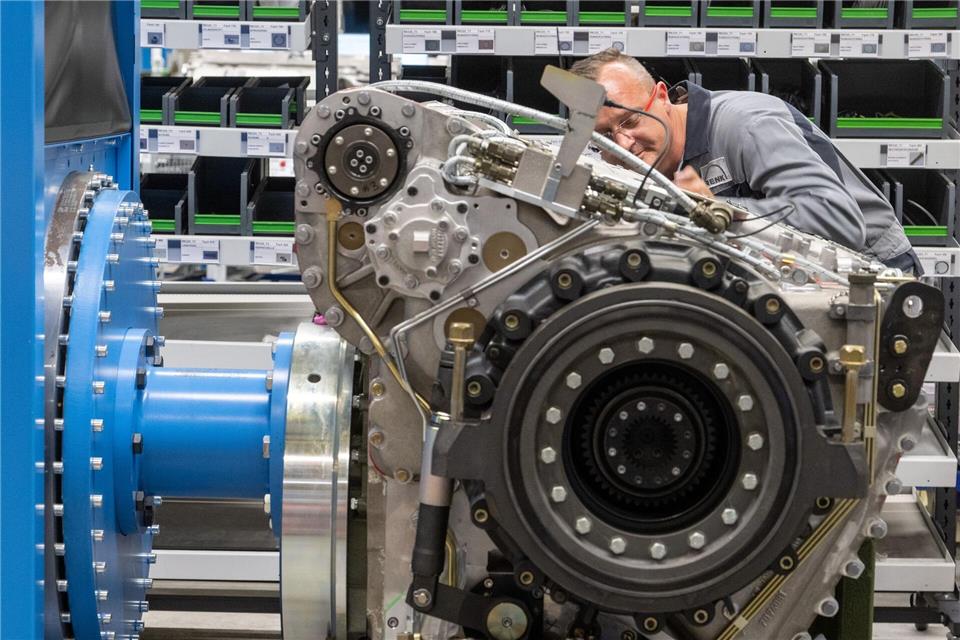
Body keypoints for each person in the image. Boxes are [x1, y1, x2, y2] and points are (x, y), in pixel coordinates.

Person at [569, 49, 918, 271]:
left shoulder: (747, 126)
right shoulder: (622, 151)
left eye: (630, 121)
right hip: (796, 267)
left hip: (874, 270)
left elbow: (839, 220)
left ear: (662, 96)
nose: (623, 144)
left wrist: (716, 208)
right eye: (604, 137)